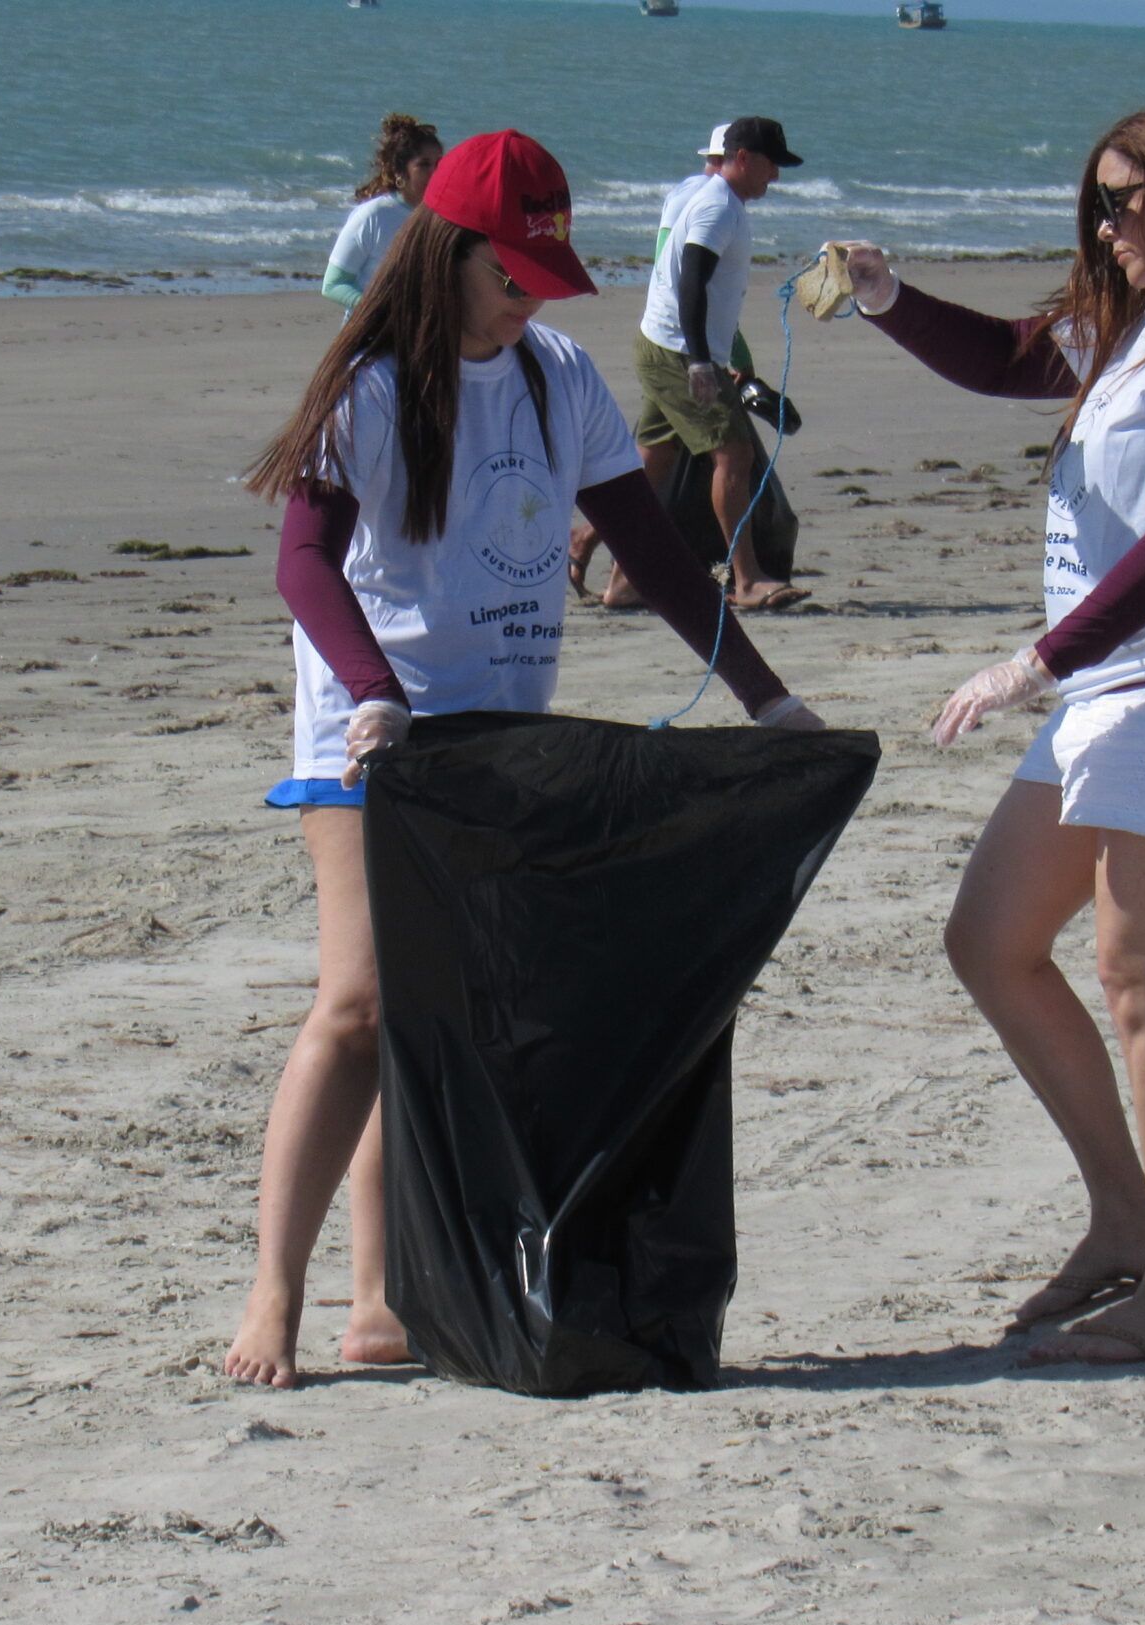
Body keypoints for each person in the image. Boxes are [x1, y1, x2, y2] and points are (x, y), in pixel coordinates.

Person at [227, 130, 826, 1389]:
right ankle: (272, 1292)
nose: (530, 301)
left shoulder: (557, 376)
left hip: (499, 739)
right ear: (448, 253)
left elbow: (654, 558)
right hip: (370, 739)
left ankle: (380, 1298)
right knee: (361, 1000)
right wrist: (377, 693)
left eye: (545, 279)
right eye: (514, 276)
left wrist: (766, 698)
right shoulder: (375, 390)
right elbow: (301, 566)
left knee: (434, 1017)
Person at [832, 97, 1145, 1367]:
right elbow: (1009, 358)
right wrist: (891, 297)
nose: (1105, 227)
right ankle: (1122, 1218)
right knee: (992, 937)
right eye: (1096, 203)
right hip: (1123, 684)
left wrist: (1033, 660)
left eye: (1128, 201)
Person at [570, 116, 808, 611]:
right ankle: (745, 580)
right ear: (743, 158)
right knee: (733, 453)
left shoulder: (724, 203)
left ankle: (611, 570)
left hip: (670, 345)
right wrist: (701, 363)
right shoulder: (717, 207)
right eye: (771, 165)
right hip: (678, 350)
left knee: (652, 463)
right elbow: (690, 281)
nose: (777, 177)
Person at [319, 113, 445, 312]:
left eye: (439, 164)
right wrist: (380, 314)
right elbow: (333, 284)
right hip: (370, 338)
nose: (434, 173)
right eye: (424, 165)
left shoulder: (444, 218)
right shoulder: (374, 215)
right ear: (400, 172)